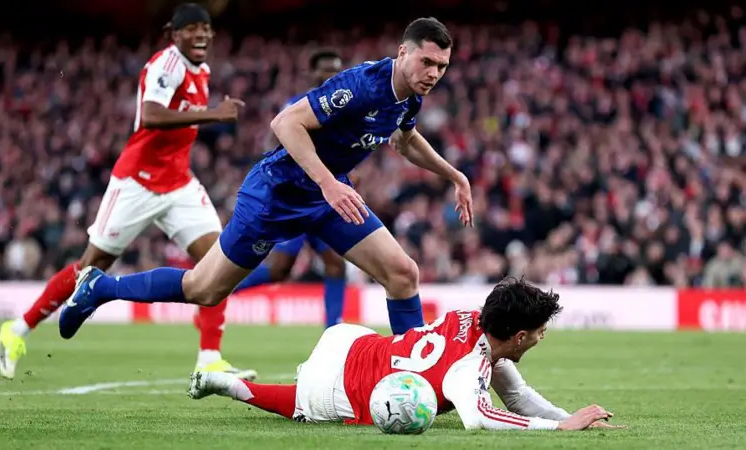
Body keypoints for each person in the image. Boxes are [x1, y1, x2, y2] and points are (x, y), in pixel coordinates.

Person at [58, 17, 474, 341]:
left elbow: (405, 140)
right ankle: (101, 287)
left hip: (326, 196)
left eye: (441, 66)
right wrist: (329, 183)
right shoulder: (361, 86)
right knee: (204, 289)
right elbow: (285, 123)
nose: (434, 73)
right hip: (276, 193)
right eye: (427, 62)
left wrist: (455, 175)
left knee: (403, 274)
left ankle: (412, 373)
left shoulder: (410, 98)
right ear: (403, 52)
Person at [0, 3, 256, 381]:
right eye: (192, 28)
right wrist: (214, 114)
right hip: (138, 181)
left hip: (179, 182)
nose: (201, 33)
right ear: (174, 34)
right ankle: (18, 328)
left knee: (218, 260)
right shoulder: (166, 65)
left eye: (206, 28)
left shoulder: (202, 70)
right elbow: (151, 115)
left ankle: (209, 359)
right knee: (90, 267)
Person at [188, 278, 625, 431]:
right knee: (299, 405)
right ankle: (232, 385)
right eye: (540, 332)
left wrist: (570, 418)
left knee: (304, 391)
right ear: (519, 336)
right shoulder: (469, 367)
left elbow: (517, 396)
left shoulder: (471, 319)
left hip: (347, 340)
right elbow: (479, 417)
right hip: (337, 387)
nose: (542, 338)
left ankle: (222, 381)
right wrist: (556, 429)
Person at [231, 49, 348, 328]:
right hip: (293, 198)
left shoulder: (347, 108)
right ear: (312, 73)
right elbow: (279, 143)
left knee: (336, 263)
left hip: (323, 200)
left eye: (337, 70)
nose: (332, 75)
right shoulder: (298, 105)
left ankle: (333, 329)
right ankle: (222, 291)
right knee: (280, 269)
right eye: (326, 69)